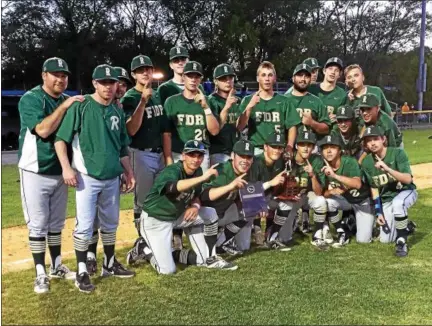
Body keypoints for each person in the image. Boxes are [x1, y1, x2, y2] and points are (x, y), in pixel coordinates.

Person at [55, 64, 136, 293]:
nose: (109, 87)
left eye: (113, 83)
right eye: (104, 83)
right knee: (85, 225)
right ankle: (81, 270)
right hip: (86, 177)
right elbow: (61, 139)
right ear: (95, 83)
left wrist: (128, 172)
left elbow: (122, 147)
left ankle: (109, 264)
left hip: (112, 177)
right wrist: (66, 168)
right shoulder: (81, 106)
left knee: (110, 224)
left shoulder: (117, 110)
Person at [18, 57, 80, 294]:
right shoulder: (32, 98)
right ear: (44, 75)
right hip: (36, 169)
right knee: (38, 224)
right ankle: (39, 272)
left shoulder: (67, 99)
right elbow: (43, 130)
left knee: (56, 224)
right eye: (56, 74)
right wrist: (64, 107)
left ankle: (56, 265)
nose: (61, 79)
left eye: (64, 75)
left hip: (61, 171)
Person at [138, 140, 237, 273]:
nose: (196, 159)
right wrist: (203, 178)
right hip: (156, 220)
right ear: (184, 155)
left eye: (199, 156)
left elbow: (197, 194)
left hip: (178, 216)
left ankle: (211, 257)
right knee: (167, 271)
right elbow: (173, 188)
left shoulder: (198, 171)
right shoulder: (172, 170)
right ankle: (144, 248)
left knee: (210, 215)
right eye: (192, 155)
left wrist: (195, 206)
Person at [164, 61, 220, 249]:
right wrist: (168, 159)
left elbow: (214, 130)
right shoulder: (172, 101)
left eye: (197, 76)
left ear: (201, 79)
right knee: (177, 194)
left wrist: (205, 107)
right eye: (190, 75)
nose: (193, 79)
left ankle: (197, 231)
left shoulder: (208, 100)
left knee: (198, 194)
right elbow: (167, 133)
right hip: (179, 154)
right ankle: (176, 233)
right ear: (184, 77)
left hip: (200, 155)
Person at [200, 140, 269, 255]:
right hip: (204, 219)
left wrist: (260, 206)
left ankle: (221, 241)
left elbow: (252, 197)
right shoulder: (221, 170)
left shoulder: (249, 171)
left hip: (223, 214)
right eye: (241, 156)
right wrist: (230, 186)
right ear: (232, 156)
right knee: (203, 257)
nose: (245, 161)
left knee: (244, 245)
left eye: (249, 157)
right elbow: (204, 195)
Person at [361, 126, 417, 256]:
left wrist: (387, 169)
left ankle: (401, 242)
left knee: (398, 203)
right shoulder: (367, 163)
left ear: (383, 139)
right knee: (386, 240)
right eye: (369, 140)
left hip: (406, 192)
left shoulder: (397, 153)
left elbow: (408, 179)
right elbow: (374, 187)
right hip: (387, 199)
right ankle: (406, 226)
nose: (372, 143)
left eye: (375, 139)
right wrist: (378, 212)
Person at [320, 134, 374, 247]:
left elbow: (357, 184)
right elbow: (322, 193)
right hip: (346, 201)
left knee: (363, 240)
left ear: (340, 150)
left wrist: (335, 176)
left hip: (362, 201)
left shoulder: (349, 161)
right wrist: (330, 192)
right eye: (325, 148)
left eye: (333, 147)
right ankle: (341, 231)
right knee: (327, 202)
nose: (329, 151)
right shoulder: (322, 167)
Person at [237, 61, 300, 156]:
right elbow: (239, 127)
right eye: (263, 75)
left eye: (270, 75)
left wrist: (290, 146)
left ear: (274, 78)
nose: (267, 79)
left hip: (278, 148)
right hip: (256, 148)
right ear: (258, 78)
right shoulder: (247, 100)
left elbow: (292, 126)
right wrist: (249, 107)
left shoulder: (284, 101)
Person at [284, 63, 331, 140]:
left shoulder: (317, 101)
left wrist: (312, 123)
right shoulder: (283, 100)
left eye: (307, 76)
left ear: (310, 79)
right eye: (300, 75)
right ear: (293, 78)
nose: (303, 79)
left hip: (310, 147)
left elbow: (326, 129)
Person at [208, 63, 241, 165]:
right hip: (218, 150)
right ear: (215, 81)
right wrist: (226, 107)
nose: (228, 81)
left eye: (230, 78)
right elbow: (214, 130)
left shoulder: (238, 100)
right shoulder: (211, 100)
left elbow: (239, 127)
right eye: (223, 78)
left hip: (235, 150)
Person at [308, 57, 347, 125]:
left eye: (336, 70)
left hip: (331, 132)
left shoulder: (342, 94)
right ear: (324, 71)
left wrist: (338, 117)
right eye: (330, 68)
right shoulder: (311, 89)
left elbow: (345, 116)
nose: (333, 72)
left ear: (339, 75)